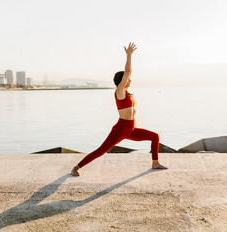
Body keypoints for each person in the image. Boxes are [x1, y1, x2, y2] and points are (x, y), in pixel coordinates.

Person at [71, 43, 167, 176]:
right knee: (101, 150)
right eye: (127, 79)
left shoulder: (127, 93)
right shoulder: (119, 92)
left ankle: (155, 162)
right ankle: (76, 167)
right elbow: (128, 72)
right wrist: (129, 55)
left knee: (155, 137)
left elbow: (128, 75)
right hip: (120, 129)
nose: (130, 80)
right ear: (122, 80)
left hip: (130, 129)